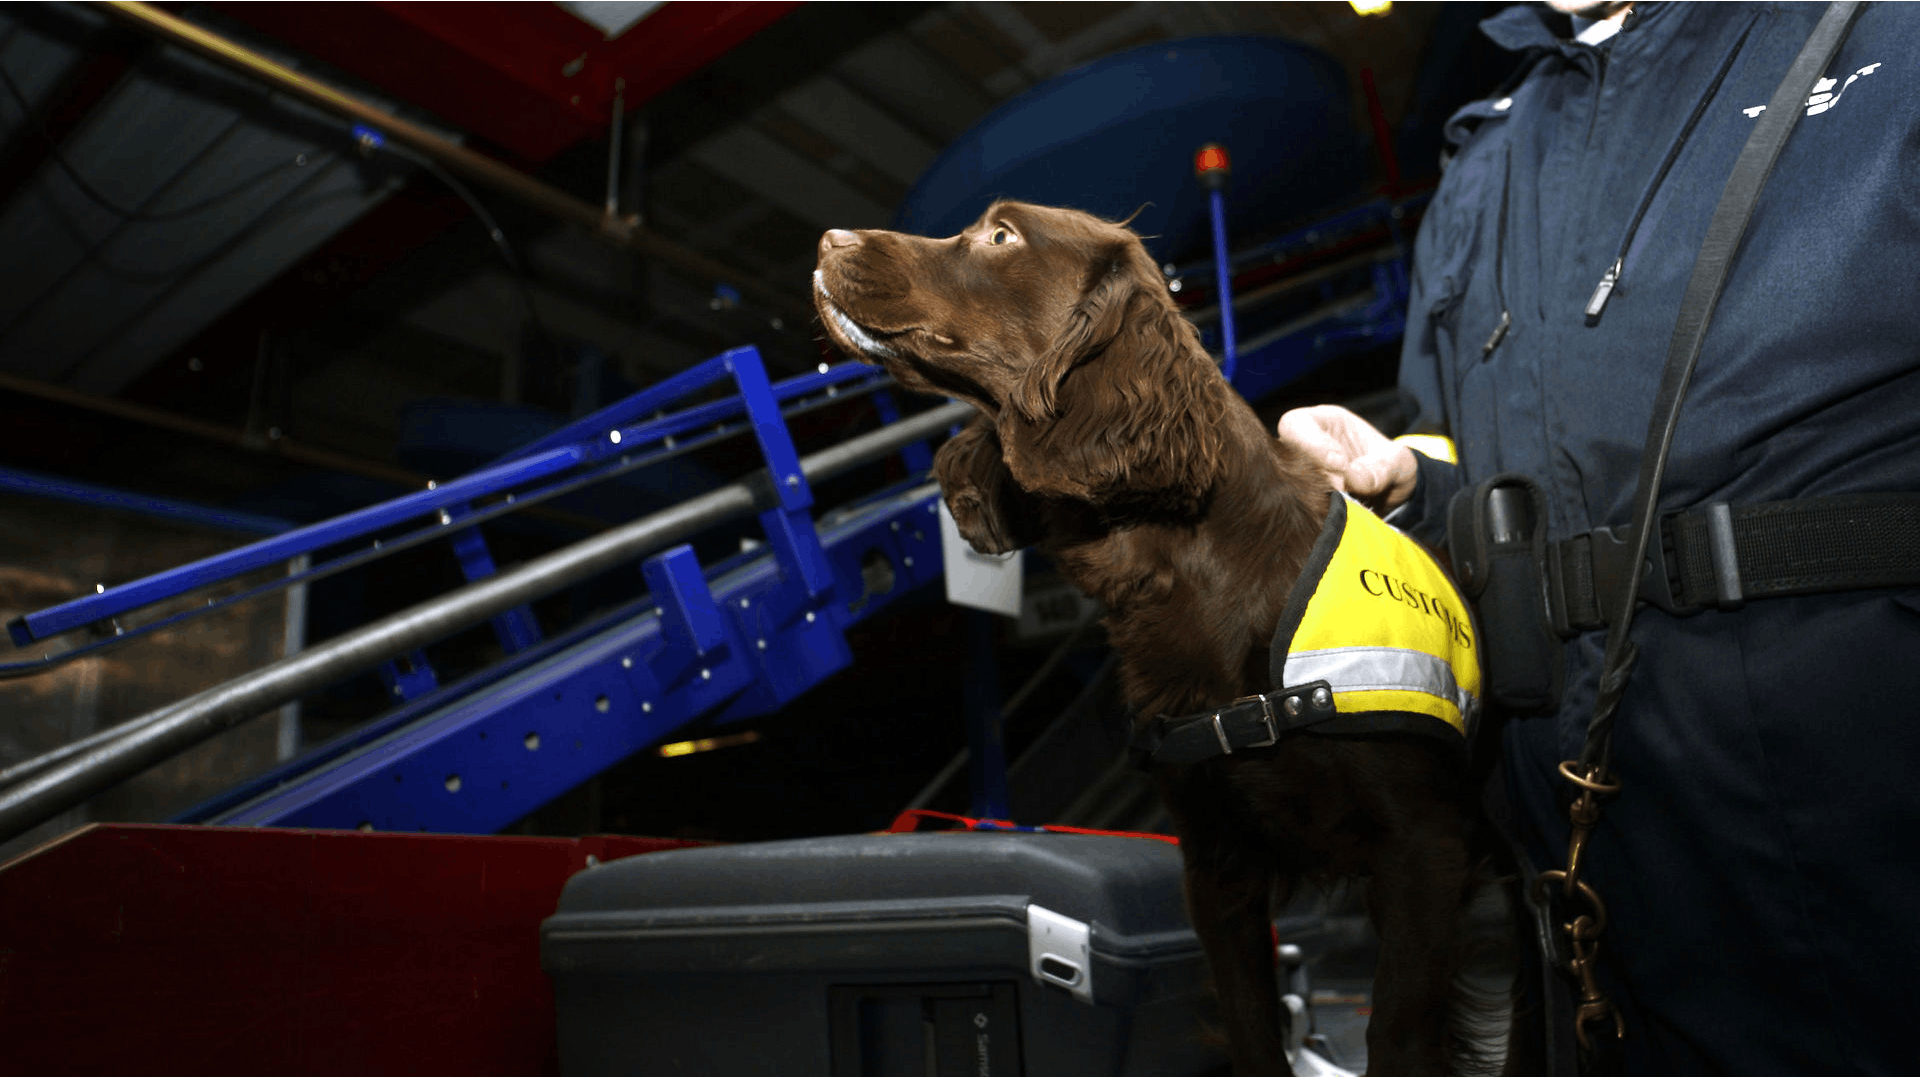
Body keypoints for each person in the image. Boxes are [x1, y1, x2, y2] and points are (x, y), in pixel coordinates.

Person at [1278, 2, 1920, 1074]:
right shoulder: (1484, 162)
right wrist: (1403, 479)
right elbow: (1470, 457)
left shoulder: (1885, 35)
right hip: (1591, 880)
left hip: (1858, 825)